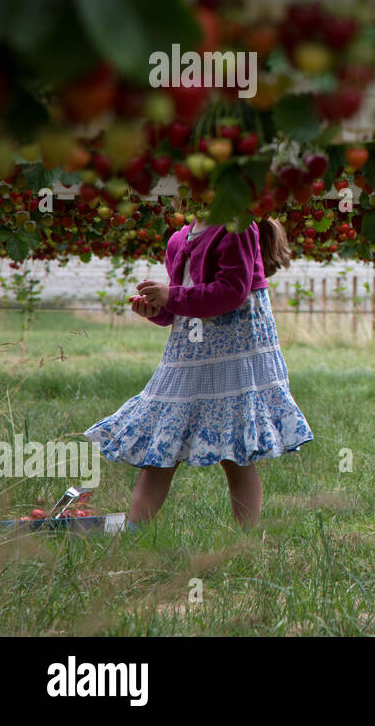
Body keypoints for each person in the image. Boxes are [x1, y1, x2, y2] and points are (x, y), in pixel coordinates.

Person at [84, 215, 313, 527]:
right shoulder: (179, 239)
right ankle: (134, 530)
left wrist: (172, 296)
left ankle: (246, 539)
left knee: (236, 452)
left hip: (234, 350)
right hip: (190, 352)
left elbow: (233, 292)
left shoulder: (237, 227)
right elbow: (184, 302)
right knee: (163, 441)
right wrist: (159, 307)